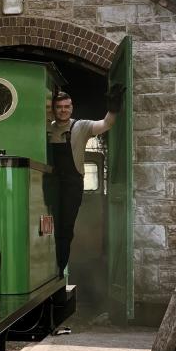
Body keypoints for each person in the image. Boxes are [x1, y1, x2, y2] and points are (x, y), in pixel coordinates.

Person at [46, 85, 125, 274]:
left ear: (71, 108)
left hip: (72, 184)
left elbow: (106, 124)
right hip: (50, 182)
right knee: (46, 224)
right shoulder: (47, 129)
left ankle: (59, 269)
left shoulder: (80, 126)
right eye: (59, 107)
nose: (63, 110)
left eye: (66, 106)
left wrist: (113, 108)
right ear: (53, 109)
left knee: (65, 227)